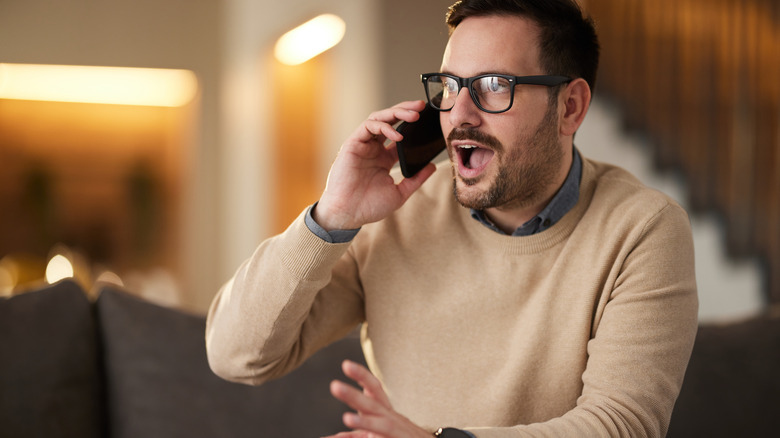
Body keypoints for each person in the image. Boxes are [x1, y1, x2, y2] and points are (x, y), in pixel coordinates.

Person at [205, 0, 698, 436]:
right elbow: (236, 356)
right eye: (450, 85)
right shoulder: (394, 215)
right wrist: (331, 216)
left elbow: (622, 425)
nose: (459, 113)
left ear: (570, 107)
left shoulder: (644, 229)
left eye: (492, 86)